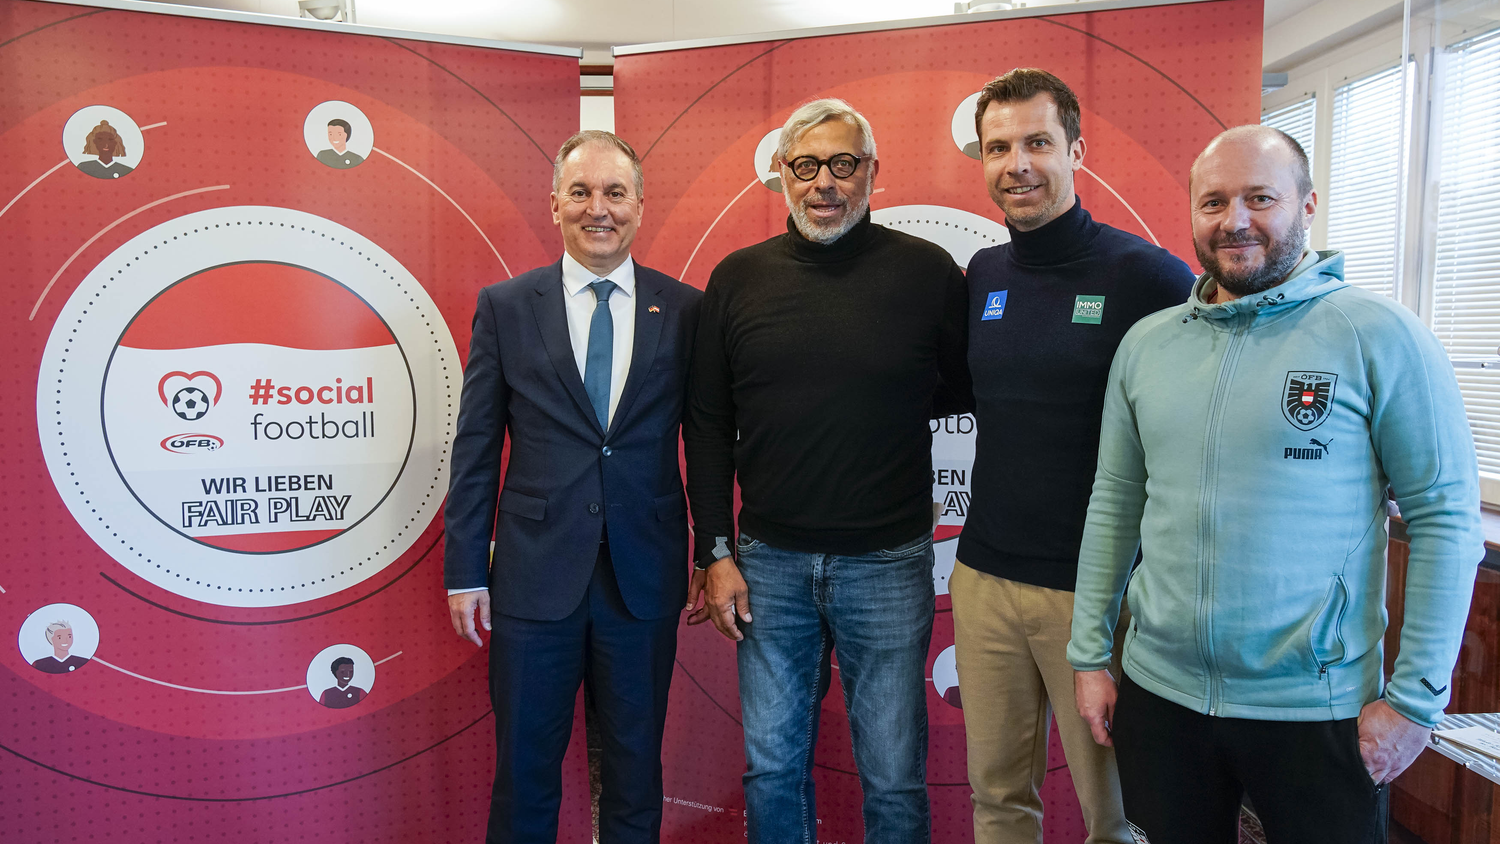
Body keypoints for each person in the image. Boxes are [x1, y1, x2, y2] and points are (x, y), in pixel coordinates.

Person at [1069, 125, 1484, 843]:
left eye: (1260, 198)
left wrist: (1416, 700)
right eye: (1214, 202)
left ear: (1308, 204)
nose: (1235, 221)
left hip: (1315, 707)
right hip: (1161, 697)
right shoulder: (1148, 344)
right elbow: (1115, 502)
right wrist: (1089, 655)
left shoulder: (1379, 335)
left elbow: (1446, 517)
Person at [684, 98, 970, 844]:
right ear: (781, 173)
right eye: (805, 166)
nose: (824, 184)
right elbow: (709, 426)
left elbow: (961, 386)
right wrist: (714, 552)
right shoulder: (737, 279)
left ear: (872, 171)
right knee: (771, 769)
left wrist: (879, 399)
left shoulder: (928, 273)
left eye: (843, 165)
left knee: (894, 774)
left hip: (888, 562)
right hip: (768, 565)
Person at [952, 68, 1195, 844]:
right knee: (997, 798)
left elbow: (1199, 425)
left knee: (1114, 816)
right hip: (984, 577)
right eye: (998, 147)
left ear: (1076, 150)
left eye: (1037, 143)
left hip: (1096, 591)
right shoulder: (984, 273)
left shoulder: (1147, 276)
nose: (1016, 164)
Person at [444, 130, 701, 844]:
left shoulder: (685, 310)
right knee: (524, 778)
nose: (599, 209)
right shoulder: (505, 305)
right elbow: (475, 447)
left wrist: (713, 551)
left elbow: (706, 442)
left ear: (640, 206)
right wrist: (465, 570)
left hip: (642, 579)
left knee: (634, 778)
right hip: (532, 580)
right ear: (555, 203)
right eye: (582, 192)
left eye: (615, 193)